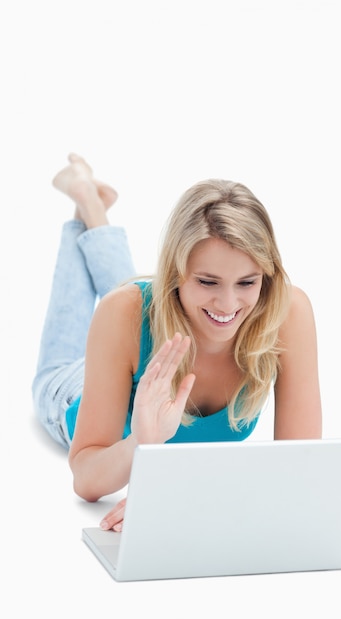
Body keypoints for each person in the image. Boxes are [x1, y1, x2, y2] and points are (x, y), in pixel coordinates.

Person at [32, 154, 322, 531]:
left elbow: (297, 469)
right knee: (121, 305)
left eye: (247, 283)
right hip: (73, 388)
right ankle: (84, 201)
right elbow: (86, 480)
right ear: (175, 275)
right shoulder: (125, 314)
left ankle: (95, 205)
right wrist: (140, 442)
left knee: (134, 301)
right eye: (207, 281)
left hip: (148, 325)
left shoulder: (287, 310)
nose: (228, 304)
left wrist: (200, 504)